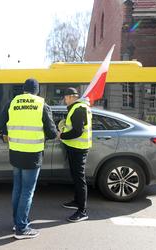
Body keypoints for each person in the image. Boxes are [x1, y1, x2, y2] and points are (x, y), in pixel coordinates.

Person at [0, 78, 57, 239]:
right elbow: (51, 132)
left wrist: (6, 134)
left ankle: (17, 221)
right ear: (37, 90)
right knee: (27, 191)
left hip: (15, 152)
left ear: (24, 90)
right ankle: (21, 228)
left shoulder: (13, 103)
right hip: (33, 154)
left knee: (18, 188)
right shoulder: (41, 104)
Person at [58, 87, 92, 223]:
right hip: (75, 147)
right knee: (76, 177)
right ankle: (77, 201)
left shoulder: (79, 108)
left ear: (72, 97)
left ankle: (82, 211)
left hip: (79, 148)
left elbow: (77, 131)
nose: (64, 100)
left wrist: (62, 135)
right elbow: (73, 127)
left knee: (79, 179)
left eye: (65, 98)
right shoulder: (77, 108)